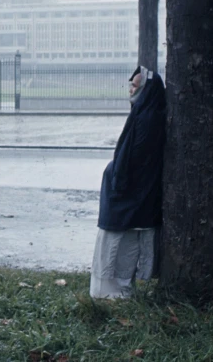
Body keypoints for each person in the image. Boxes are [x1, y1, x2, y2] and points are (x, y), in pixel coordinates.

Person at [90, 66, 166, 299]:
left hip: (130, 196)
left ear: (146, 90)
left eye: (135, 86)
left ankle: (116, 292)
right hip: (130, 195)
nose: (130, 90)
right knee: (122, 243)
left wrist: (117, 181)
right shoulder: (144, 112)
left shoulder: (148, 118)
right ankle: (116, 290)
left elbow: (135, 159)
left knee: (123, 244)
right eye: (131, 85)